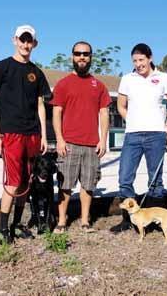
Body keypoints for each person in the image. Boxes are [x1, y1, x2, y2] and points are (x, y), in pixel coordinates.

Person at [0, 24, 50, 245]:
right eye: (22, 40)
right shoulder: (0, 68)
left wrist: (43, 135)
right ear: (14, 40)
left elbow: (41, 105)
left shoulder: (37, 73)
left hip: (32, 134)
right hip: (10, 133)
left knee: (26, 181)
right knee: (13, 182)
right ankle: (2, 229)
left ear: (35, 43)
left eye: (29, 40)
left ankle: (16, 224)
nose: (25, 44)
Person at [110, 43, 167, 233]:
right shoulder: (127, 79)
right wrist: (130, 119)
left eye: (141, 59)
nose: (138, 64)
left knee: (155, 181)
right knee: (125, 178)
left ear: (150, 58)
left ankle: (154, 221)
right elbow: (121, 106)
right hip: (132, 135)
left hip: (156, 135)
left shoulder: (163, 78)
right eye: (134, 60)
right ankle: (128, 220)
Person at [50, 41, 111, 233]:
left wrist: (103, 139)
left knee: (89, 184)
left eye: (85, 54)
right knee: (65, 185)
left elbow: (104, 113)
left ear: (91, 57)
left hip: (92, 144)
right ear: (72, 57)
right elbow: (57, 113)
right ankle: (61, 221)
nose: (82, 57)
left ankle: (85, 221)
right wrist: (59, 139)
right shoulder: (63, 84)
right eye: (78, 53)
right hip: (69, 144)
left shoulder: (99, 86)